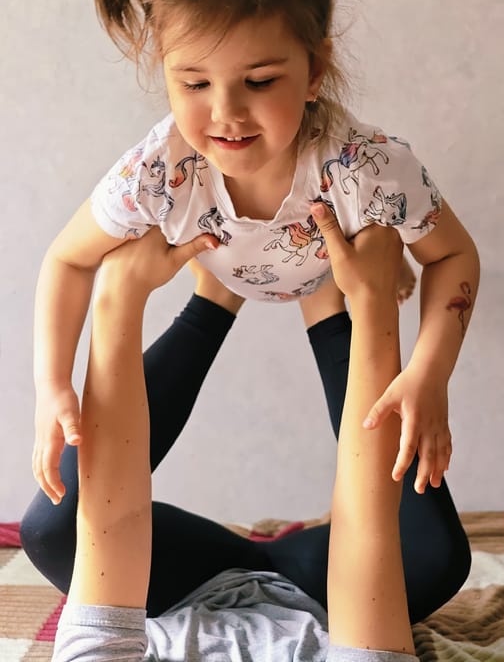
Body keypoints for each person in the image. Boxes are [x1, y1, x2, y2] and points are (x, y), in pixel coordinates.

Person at [22, 0, 479, 623]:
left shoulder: (362, 166)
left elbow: (453, 257)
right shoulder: (160, 171)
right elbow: (67, 259)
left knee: (435, 565)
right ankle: (217, 293)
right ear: (163, 72)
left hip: (337, 280)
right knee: (49, 528)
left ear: (313, 70)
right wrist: (50, 387)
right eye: (193, 83)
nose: (225, 114)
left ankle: (319, 301)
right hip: (215, 262)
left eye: (260, 80)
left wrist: (428, 374)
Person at [51, 206, 418, 661]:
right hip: (329, 593)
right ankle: (323, 304)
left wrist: (120, 294)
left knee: (53, 527)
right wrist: (371, 299)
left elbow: (114, 517)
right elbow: (368, 525)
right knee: (434, 555)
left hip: (171, 585)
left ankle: (215, 297)